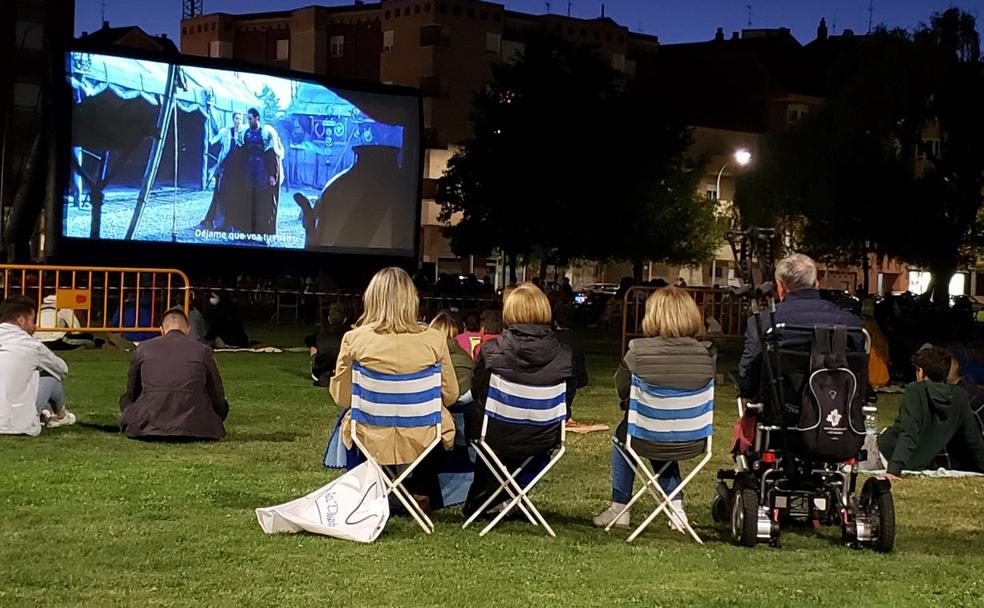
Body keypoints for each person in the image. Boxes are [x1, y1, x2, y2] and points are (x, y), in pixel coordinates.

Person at [328, 267, 460, 512]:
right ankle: (421, 492)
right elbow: (451, 395)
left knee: (349, 420)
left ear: (372, 299)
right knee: (441, 422)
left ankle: (365, 490)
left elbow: (342, 397)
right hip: (423, 437)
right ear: (412, 300)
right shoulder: (434, 340)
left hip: (370, 434)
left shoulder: (354, 339)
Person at [593, 287, 715, 530]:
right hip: (693, 438)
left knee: (627, 435)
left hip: (646, 435)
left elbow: (623, 387)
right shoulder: (706, 355)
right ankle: (677, 508)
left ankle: (620, 507)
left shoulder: (638, 351)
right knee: (662, 430)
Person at [463, 282, 575, 517]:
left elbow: (477, 390)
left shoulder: (491, 349)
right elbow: (568, 399)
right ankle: (509, 494)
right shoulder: (565, 354)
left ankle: (490, 496)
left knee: (474, 418)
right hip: (544, 435)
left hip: (496, 433)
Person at [738, 253, 863, 397]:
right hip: (837, 407)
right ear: (816, 283)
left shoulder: (763, 322)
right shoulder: (850, 322)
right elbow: (859, 371)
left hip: (779, 409)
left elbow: (747, 379)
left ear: (780, 286)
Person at [120, 308, 229, 440]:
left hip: (148, 422)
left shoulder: (143, 348)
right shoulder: (203, 351)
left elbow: (132, 391)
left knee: (125, 400)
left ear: (162, 330)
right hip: (197, 426)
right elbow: (216, 394)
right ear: (188, 330)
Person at [878, 346, 984, 477]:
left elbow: (909, 434)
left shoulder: (915, 390)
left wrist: (893, 471)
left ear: (921, 372)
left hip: (888, 455)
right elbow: (974, 440)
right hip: (918, 462)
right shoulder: (960, 396)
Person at [0, 296, 75, 435]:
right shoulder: (32, 346)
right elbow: (62, 369)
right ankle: (61, 415)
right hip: (13, 423)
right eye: (33, 321)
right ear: (21, 320)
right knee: (50, 376)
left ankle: (48, 413)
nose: (35, 327)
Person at [239, 107, 284, 236]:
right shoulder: (245, 133)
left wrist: (272, 175)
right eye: (247, 119)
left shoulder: (266, 134)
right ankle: (248, 230)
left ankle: (263, 231)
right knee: (248, 201)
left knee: (263, 202)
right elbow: (242, 154)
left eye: (250, 119)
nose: (248, 121)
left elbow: (272, 155)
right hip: (248, 172)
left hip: (262, 172)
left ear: (257, 118)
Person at [304, 304, 347, 386]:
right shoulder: (350, 333)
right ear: (345, 319)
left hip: (321, 370)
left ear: (328, 318)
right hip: (343, 369)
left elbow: (308, 340)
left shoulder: (321, 331)